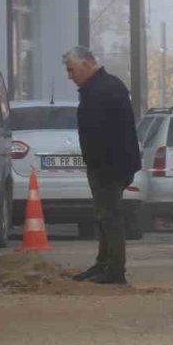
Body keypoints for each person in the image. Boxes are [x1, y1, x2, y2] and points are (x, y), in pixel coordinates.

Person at [65, 46, 141, 284]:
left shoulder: (103, 90)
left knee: (110, 217)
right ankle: (103, 264)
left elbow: (107, 133)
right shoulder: (101, 87)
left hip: (109, 166)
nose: (70, 75)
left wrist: (105, 167)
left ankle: (115, 270)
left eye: (71, 70)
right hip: (106, 164)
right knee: (104, 215)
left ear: (86, 65)